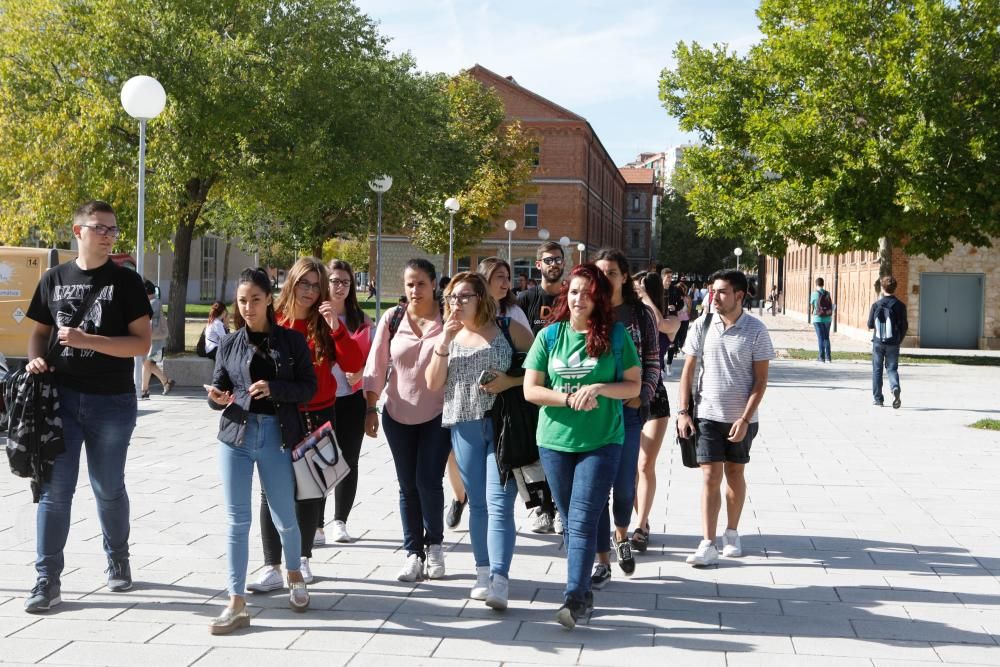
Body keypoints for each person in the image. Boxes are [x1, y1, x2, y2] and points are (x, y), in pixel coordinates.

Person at [23, 200, 152, 613]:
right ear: (78, 231)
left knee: (107, 487)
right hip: (59, 400)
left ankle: (118, 557)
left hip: (111, 401)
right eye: (100, 228)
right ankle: (47, 579)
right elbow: (39, 333)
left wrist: (88, 340)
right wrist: (34, 359)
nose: (109, 235)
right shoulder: (53, 278)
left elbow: (141, 344)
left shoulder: (127, 283)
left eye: (113, 229)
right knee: (54, 492)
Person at [523, 263, 641, 629]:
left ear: (599, 298)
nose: (579, 298)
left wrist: (601, 389)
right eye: (574, 291)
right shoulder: (549, 336)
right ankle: (583, 593)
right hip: (555, 441)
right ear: (566, 295)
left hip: (602, 440)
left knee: (584, 516)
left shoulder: (617, 336)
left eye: (587, 293)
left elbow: (634, 387)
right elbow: (531, 390)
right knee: (571, 520)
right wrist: (567, 398)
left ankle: (574, 597)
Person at [205, 268, 317, 633]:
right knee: (237, 521)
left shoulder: (291, 342)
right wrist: (216, 397)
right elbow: (221, 388)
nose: (248, 307)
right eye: (242, 300)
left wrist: (275, 388)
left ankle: (295, 574)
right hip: (235, 436)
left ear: (269, 298)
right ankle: (236, 601)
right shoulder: (229, 343)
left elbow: (308, 388)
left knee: (285, 515)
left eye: (255, 299)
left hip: (276, 435)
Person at [246, 258, 363, 594]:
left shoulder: (326, 322)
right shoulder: (275, 321)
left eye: (316, 285)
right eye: (304, 284)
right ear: (291, 283)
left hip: (319, 413)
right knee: (271, 490)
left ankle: (303, 556)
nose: (310, 291)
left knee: (310, 491)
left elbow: (354, 365)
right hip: (278, 414)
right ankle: (272, 565)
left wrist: (337, 327)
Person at [426, 272, 533, 609]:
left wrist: (509, 382)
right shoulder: (447, 336)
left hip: (503, 426)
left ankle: (500, 579)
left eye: (464, 296)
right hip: (464, 426)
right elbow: (433, 384)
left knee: (500, 503)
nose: (456, 303)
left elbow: (538, 368)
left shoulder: (507, 328)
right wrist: (443, 342)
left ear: (481, 297)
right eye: (452, 298)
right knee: (479, 504)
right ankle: (482, 572)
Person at [677, 269, 775, 567]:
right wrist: (683, 412)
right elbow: (688, 371)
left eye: (721, 292)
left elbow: (760, 382)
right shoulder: (700, 325)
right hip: (706, 415)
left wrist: (745, 419)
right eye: (712, 291)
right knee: (709, 475)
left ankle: (731, 533)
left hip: (741, 419)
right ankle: (707, 542)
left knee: (734, 473)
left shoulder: (756, 330)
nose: (714, 297)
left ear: (739, 296)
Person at [363, 259, 451, 582]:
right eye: (410, 284)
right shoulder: (393, 318)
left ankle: (436, 545)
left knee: (428, 481)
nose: (415, 290)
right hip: (397, 415)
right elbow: (376, 363)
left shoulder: (447, 319)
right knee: (407, 486)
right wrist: (371, 407)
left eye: (421, 284)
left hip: (437, 415)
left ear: (434, 285)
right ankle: (414, 553)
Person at [591, 249, 660, 587]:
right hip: (593, 413)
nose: (606, 278)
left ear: (624, 277)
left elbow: (653, 359)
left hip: (628, 411)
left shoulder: (638, 314)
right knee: (596, 486)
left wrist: (641, 395)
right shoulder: (588, 311)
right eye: (600, 272)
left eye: (613, 273)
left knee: (623, 483)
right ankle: (602, 559)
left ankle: (622, 536)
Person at [315, 259, 374, 545]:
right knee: (321, 461)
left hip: (352, 399)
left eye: (345, 282)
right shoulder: (315, 315)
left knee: (348, 460)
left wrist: (361, 372)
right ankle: (316, 524)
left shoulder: (359, 319)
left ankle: (340, 521)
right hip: (320, 399)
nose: (339, 286)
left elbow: (374, 358)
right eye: (335, 281)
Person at [516, 240, 567, 534]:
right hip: (532, 387)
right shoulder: (526, 300)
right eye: (548, 260)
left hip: (561, 388)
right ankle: (540, 508)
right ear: (539, 265)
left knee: (557, 451)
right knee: (532, 452)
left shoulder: (569, 298)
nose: (554, 264)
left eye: (558, 259)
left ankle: (560, 508)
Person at [629, 272, 680, 553]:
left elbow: (662, 325)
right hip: (626, 394)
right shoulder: (632, 317)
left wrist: (647, 297)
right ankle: (639, 521)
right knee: (630, 467)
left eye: (641, 290)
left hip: (655, 396)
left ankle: (642, 524)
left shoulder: (670, 318)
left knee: (645, 464)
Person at [867, 275, 908, 409]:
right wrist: (899, 339)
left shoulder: (876, 305)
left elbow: (870, 324)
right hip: (893, 342)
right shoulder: (900, 306)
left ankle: (878, 399)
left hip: (878, 342)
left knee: (877, 370)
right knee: (892, 369)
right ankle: (895, 387)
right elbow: (904, 326)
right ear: (895, 287)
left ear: (882, 287)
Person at [141, 280, 175, 399]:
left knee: (148, 363)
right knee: (147, 364)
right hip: (154, 339)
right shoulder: (154, 301)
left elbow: (146, 317)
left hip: (155, 340)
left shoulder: (153, 302)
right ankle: (145, 390)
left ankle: (165, 381)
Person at [810, 277, 833, 363]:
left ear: (816, 284)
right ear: (823, 284)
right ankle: (828, 357)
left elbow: (811, 307)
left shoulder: (814, 294)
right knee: (826, 337)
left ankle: (821, 357)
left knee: (820, 337)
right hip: (828, 318)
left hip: (818, 319)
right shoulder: (828, 293)